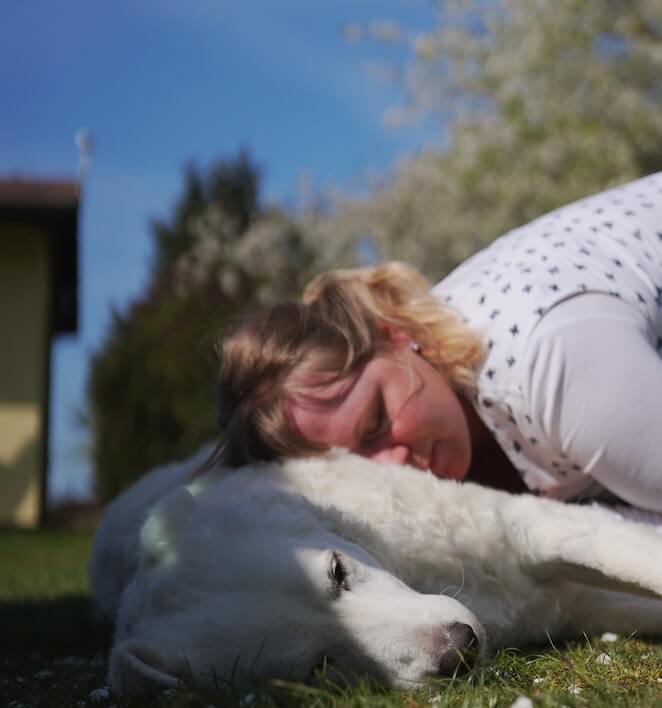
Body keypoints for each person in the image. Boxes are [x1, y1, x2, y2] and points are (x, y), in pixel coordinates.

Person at [211, 172, 662, 512]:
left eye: (375, 420)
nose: (390, 466)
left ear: (393, 331)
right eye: (353, 466)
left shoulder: (549, 360)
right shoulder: (449, 392)